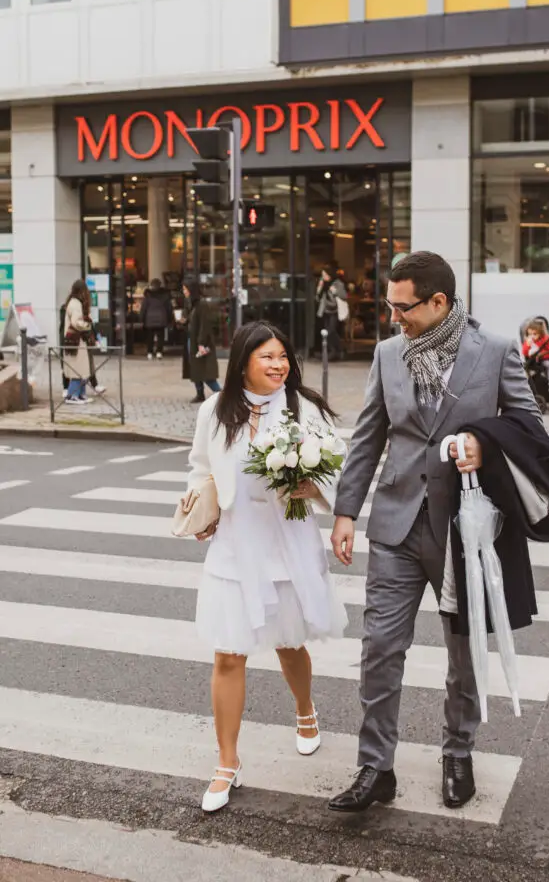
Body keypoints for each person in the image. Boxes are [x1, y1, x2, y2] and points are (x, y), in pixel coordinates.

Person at [327, 251, 542, 814]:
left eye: (404, 307)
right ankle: (376, 767)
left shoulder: (493, 352)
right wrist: (346, 511)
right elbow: (369, 435)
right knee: (379, 649)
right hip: (396, 524)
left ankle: (458, 751)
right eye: (390, 306)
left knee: (464, 653)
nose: (394, 317)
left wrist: (483, 444)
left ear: (439, 302)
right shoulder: (388, 354)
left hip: (463, 530)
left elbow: (531, 429)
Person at [185, 321, 348, 813]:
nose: (279, 365)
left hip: (287, 540)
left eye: (283, 356)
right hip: (236, 543)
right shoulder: (214, 411)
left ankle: (304, 710)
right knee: (228, 655)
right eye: (268, 357)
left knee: (289, 643)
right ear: (242, 363)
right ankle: (227, 762)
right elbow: (200, 465)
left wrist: (315, 488)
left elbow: (339, 467)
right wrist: (201, 506)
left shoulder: (305, 408)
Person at [182, 282, 221, 403]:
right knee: (195, 368)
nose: (184, 292)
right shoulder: (191, 305)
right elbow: (192, 321)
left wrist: (201, 342)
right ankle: (200, 393)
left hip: (200, 343)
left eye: (185, 289)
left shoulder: (202, 305)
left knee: (206, 372)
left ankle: (222, 395)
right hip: (192, 341)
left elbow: (204, 326)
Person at [62, 280, 94, 405]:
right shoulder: (75, 304)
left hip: (77, 340)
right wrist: (87, 325)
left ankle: (81, 394)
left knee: (82, 369)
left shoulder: (75, 302)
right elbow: (76, 322)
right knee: (78, 369)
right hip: (76, 341)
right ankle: (73, 395)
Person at [522, 319, 549, 394]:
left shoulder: (544, 339)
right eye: (529, 334)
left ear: (540, 334)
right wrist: (528, 345)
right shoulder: (528, 343)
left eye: (534, 334)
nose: (532, 336)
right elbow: (525, 353)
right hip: (541, 359)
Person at [316, 267, 347, 361]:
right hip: (325, 311)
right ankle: (333, 351)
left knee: (331, 331)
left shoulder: (337, 283)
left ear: (329, 275)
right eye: (322, 275)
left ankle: (336, 350)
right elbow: (318, 298)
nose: (323, 277)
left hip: (335, 311)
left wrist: (335, 291)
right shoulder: (323, 284)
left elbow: (344, 296)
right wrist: (319, 288)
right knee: (326, 332)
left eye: (324, 275)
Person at [140, 278, 173, 360]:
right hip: (162, 319)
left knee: (150, 337)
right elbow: (169, 308)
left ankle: (150, 352)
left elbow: (143, 309)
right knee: (160, 337)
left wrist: (141, 319)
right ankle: (159, 352)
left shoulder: (147, 296)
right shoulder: (165, 295)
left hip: (149, 319)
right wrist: (170, 319)